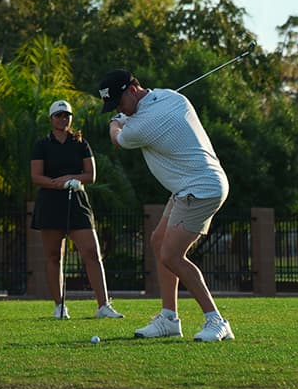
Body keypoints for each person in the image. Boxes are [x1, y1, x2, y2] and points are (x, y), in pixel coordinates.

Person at [100, 68, 235, 343]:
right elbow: (144, 113)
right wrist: (127, 115)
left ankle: (216, 321)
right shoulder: (174, 97)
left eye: (119, 103)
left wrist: (115, 122)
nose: (118, 109)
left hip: (200, 188)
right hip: (191, 185)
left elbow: (118, 139)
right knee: (158, 241)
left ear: (132, 90)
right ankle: (169, 318)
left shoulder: (140, 126)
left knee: (172, 256)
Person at [31, 99, 123, 320]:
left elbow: (91, 175)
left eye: (67, 115)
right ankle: (59, 306)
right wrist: (58, 183)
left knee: (92, 252)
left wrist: (72, 178)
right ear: (51, 119)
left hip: (77, 200)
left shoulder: (80, 143)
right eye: (59, 115)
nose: (63, 119)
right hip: (50, 202)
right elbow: (36, 176)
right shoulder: (42, 144)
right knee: (54, 255)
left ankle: (103, 305)